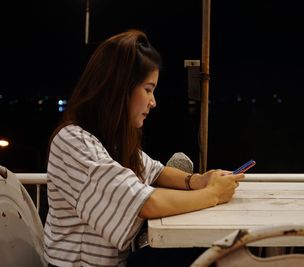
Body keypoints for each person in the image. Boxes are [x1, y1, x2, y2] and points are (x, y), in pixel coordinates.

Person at [44, 29, 244, 267]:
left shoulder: (109, 140)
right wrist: (213, 194)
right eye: (148, 89)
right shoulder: (73, 142)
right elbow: (145, 204)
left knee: (201, 254)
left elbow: (155, 171)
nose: (153, 101)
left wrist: (197, 180)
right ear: (119, 88)